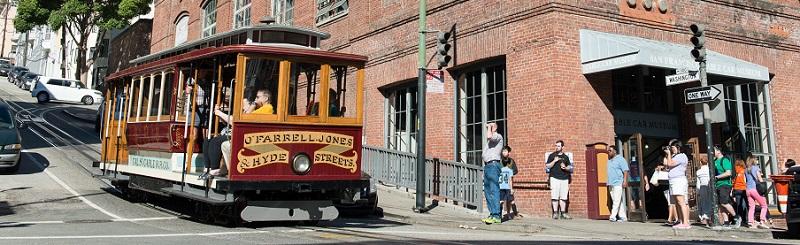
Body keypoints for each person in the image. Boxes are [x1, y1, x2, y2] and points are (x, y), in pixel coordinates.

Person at [662, 139, 690, 229]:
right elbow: (666, 164)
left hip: (678, 180)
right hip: (673, 180)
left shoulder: (681, 156)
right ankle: (680, 220)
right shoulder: (675, 156)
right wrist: (667, 154)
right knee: (676, 202)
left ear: (678, 147)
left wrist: (669, 154)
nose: (671, 149)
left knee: (681, 201)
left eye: (672, 147)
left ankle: (685, 222)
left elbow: (669, 164)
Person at [481, 123, 503, 225]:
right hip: (488, 166)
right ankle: (492, 213)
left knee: (494, 190)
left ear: (495, 128)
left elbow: (489, 136)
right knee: (487, 191)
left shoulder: (498, 136)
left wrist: (489, 127)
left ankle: (496, 215)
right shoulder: (490, 143)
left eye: (492, 126)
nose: (489, 128)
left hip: (493, 165)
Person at [546, 140, 573, 220]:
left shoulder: (565, 157)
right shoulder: (552, 155)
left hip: (564, 178)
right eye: (556, 146)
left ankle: (563, 213)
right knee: (554, 196)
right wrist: (554, 161)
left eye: (558, 146)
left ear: (562, 147)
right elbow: (548, 166)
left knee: (564, 197)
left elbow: (570, 167)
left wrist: (565, 167)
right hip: (554, 178)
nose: (557, 147)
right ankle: (555, 213)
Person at [713, 146, 738, 229]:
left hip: (725, 184)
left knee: (724, 202)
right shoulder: (714, 161)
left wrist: (717, 177)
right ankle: (726, 222)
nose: (712, 152)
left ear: (719, 151)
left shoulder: (725, 160)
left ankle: (736, 217)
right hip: (717, 185)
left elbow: (728, 173)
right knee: (720, 204)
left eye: (714, 150)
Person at [745, 155, 770, 229]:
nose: (757, 161)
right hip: (755, 189)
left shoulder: (746, 170)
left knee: (751, 206)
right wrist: (763, 186)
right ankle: (762, 221)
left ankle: (750, 222)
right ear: (753, 161)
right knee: (764, 205)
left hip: (748, 190)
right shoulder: (756, 168)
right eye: (756, 159)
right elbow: (759, 177)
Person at [606, 145, 629, 222]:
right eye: (608, 151)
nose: (608, 152)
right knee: (618, 200)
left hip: (618, 182)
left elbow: (625, 170)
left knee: (616, 201)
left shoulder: (620, 159)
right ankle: (623, 216)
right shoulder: (609, 160)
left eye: (610, 151)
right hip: (610, 183)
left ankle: (612, 216)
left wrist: (625, 181)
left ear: (615, 151)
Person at [501, 145, 521, 218]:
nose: (504, 152)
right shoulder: (500, 161)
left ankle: (512, 213)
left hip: (509, 182)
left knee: (510, 199)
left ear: (509, 153)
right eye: (503, 151)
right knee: (502, 200)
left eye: (505, 151)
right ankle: (506, 214)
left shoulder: (511, 161)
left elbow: (516, 170)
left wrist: (510, 172)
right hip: (502, 183)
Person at [732, 158, 748, 228]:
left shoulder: (736, 171)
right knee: (744, 205)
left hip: (736, 189)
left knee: (738, 206)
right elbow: (746, 181)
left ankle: (739, 219)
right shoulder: (744, 171)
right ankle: (744, 220)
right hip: (744, 189)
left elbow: (733, 181)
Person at [696, 156, 712, 226]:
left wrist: (698, 191)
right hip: (710, 187)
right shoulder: (710, 170)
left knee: (703, 202)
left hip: (702, 187)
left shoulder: (698, 172)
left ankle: (704, 218)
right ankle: (710, 217)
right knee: (710, 202)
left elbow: (698, 183)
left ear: (700, 162)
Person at [499, 154, 515, 220]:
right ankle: (509, 214)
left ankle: (499, 215)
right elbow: (510, 180)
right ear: (508, 163)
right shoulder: (510, 170)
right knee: (509, 201)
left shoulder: (499, 170)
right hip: (507, 187)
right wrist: (511, 189)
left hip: (500, 187)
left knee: (501, 201)